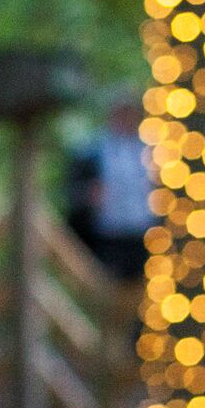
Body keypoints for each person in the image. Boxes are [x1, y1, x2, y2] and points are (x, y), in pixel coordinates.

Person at [66, 96, 156, 283]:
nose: (126, 118)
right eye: (122, 113)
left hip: (144, 236)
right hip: (107, 238)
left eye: (131, 114)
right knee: (107, 290)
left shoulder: (151, 150)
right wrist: (87, 196)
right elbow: (72, 194)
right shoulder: (90, 152)